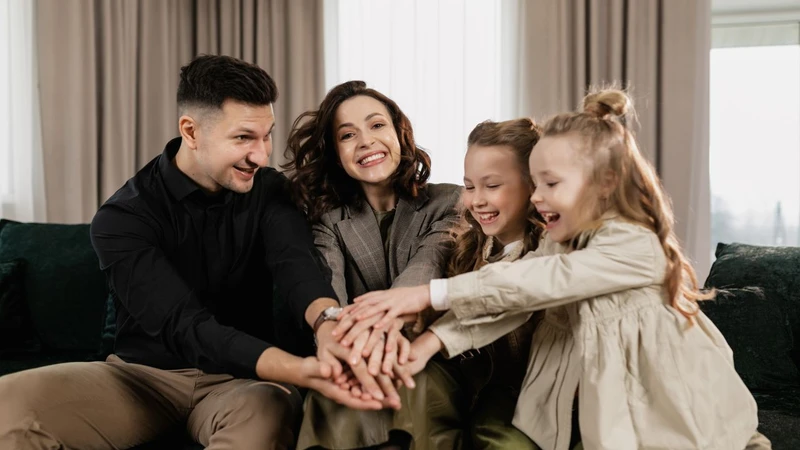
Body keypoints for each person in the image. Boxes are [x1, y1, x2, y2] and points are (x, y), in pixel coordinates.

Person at [341, 88, 772, 450]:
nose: (537, 197)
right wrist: (432, 342)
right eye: (536, 183)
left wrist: (429, 293)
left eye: (550, 184)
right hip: (608, 403)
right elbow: (514, 301)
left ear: (603, 183)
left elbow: (539, 281)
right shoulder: (557, 241)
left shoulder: (633, 243)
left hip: (675, 400)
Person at [0, 54, 381, 450]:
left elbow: (297, 266)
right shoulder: (122, 217)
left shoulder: (270, 191)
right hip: (140, 380)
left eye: (266, 135)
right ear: (191, 130)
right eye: (243, 138)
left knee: (267, 412)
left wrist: (327, 324)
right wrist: (299, 369)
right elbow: (184, 325)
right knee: (7, 404)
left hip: (241, 383)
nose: (261, 155)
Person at [284, 80, 462, 449]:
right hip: (355, 352)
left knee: (411, 385)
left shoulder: (449, 202)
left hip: (426, 356)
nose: (365, 141)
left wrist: (381, 334)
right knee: (336, 389)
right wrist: (353, 346)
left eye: (377, 125)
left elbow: (424, 271)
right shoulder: (327, 220)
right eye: (348, 135)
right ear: (336, 154)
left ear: (400, 134)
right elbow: (330, 297)